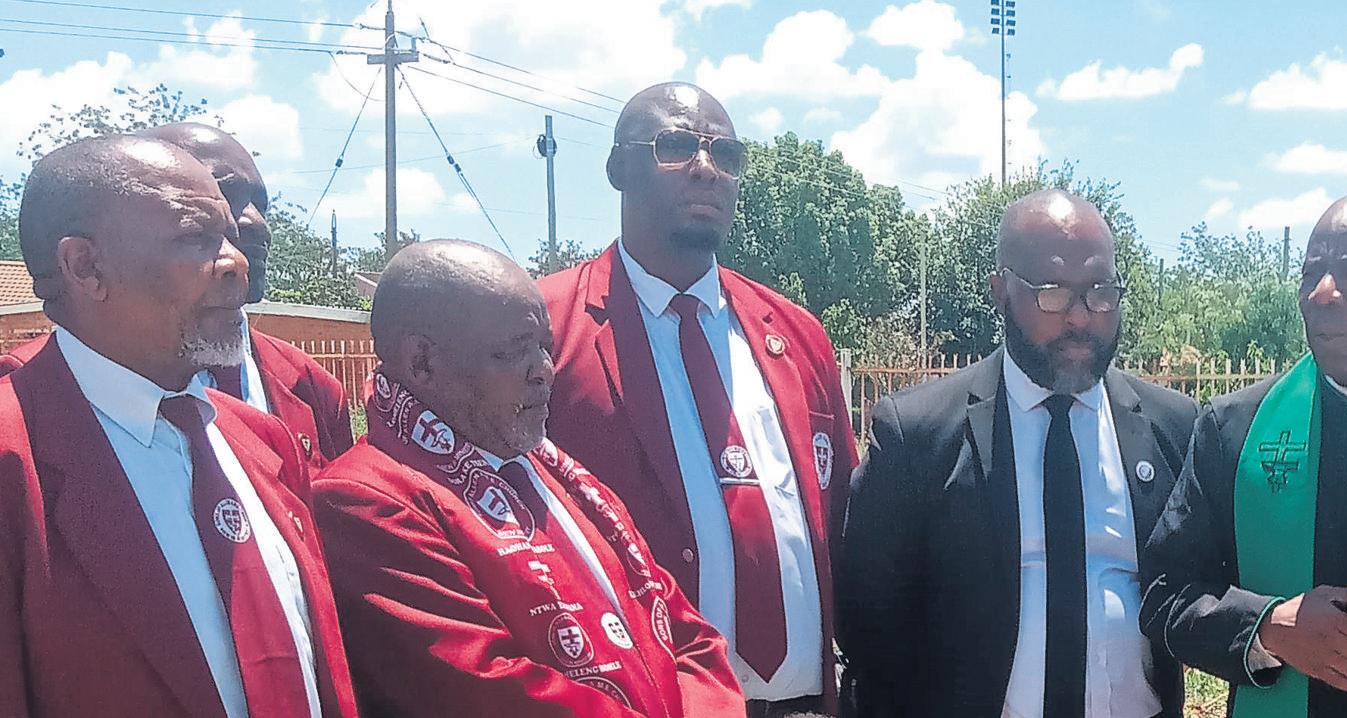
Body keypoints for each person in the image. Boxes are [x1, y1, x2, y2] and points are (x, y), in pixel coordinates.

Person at [0, 135, 357, 716]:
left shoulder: (261, 441)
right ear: (84, 266)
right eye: (196, 238)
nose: (237, 262)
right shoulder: (15, 459)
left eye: (230, 237)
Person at [311, 239, 745, 717]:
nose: (544, 371)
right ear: (422, 362)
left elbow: (687, 632)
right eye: (513, 352)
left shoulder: (556, 475)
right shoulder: (365, 501)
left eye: (544, 347)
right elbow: (489, 693)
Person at [539, 82, 856, 716]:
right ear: (617, 168)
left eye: (726, 155)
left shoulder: (796, 334)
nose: (707, 169)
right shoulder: (547, 328)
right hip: (643, 701)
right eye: (676, 146)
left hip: (804, 703)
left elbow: (844, 517)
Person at [839, 189, 1198, 717]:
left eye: (1101, 292)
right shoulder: (918, 435)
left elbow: (1202, 589)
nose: (1081, 318)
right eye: (1053, 294)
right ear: (1001, 292)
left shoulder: (1173, 427)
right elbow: (870, 628)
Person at [1141, 191, 1347, 716]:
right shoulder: (1234, 429)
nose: (1322, 293)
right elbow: (1164, 593)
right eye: (1312, 272)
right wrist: (1269, 628)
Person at [0, 123, 355, 469]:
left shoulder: (304, 389)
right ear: (87, 264)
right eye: (196, 226)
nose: (255, 223)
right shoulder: (21, 405)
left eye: (261, 203)